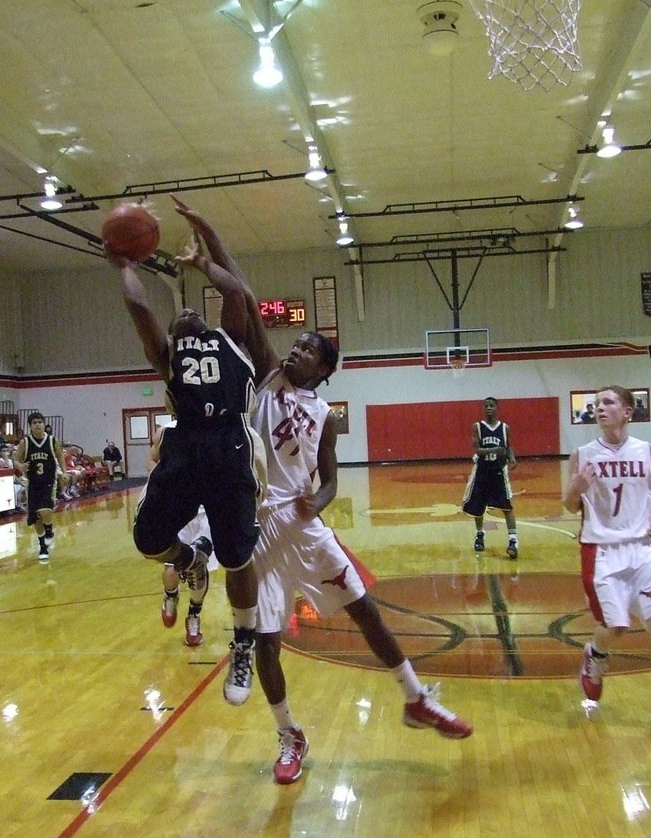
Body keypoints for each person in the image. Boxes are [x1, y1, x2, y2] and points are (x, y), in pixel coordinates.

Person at [178, 199, 471, 784]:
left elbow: (330, 478)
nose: (296, 349)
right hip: (258, 528)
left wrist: (322, 500)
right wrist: (205, 239)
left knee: (364, 610)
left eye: (309, 349)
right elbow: (243, 292)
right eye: (297, 343)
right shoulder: (266, 375)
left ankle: (416, 696)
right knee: (266, 644)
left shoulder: (324, 416)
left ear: (325, 369)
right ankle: (289, 734)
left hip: (304, 526)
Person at [114, 200, 264, 706]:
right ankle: (190, 562)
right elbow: (140, 311)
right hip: (185, 445)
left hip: (229, 444)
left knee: (238, 557)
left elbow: (235, 291)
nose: (186, 312)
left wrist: (202, 258)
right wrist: (124, 266)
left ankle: (243, 642)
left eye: (193, 310)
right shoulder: (168, 356)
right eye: (179, 315)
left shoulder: (232, 340)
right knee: (148, 538)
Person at [561, 385, 651, 742]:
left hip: (643, 548)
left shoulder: (648, 451)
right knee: (616, 628)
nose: (599, 408)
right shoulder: (583, 455)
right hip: (601, 551)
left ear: (628, 411)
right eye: (596, 404)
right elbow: (569, 505)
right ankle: (596, 653)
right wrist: (577, 486)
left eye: (608, 402)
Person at [149, 422, 215, 647]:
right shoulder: (167, 431)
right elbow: (151, 460)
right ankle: (171, 595)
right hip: (177, 511)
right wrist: (163, 482)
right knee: (171, 569)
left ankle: (194, 616)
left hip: (206, 513)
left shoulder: (215, 429)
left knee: (199, 570)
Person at [462, 396, 519, 557]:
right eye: (486, 406)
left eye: (491, 405)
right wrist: (495, 450)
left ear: (497, 408)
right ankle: (480, 534)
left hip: (499, 471)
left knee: (507, 506)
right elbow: (477, 450)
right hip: (482, 471)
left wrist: (512, 458)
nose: (488, 408)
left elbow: (508, 446)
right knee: (478, 507)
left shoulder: (505, 428)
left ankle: (513, 541)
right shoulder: (477, 427)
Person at [12, 412, 61, 561]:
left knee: (45, 510)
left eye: (40, 422)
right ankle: (43, 546)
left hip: (48, 481)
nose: (38, 425)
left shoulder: (52, 441)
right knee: (35, 518)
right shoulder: (25, 443)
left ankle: (49, 529)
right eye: (34, 423)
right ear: (30, 426)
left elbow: (60, 455)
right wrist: (20, 466)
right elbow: (15, 459)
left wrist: (64, 472)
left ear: (44, 424)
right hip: (32, 483)